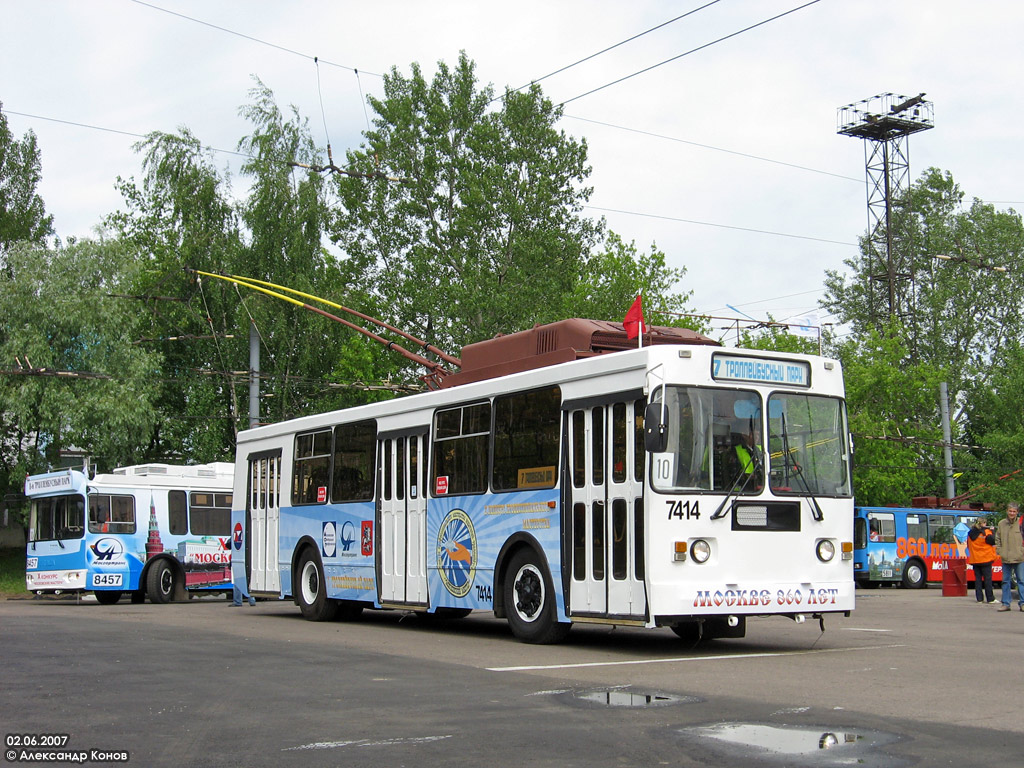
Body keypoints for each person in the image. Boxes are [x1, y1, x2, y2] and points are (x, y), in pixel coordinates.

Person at [995, 501, 1024, 612]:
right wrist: (999, 550)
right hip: (1005, 557)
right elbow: (997, 538)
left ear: (1017, 512)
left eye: (1014, 511)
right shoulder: (1001, 523)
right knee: (1005, 581)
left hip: (1020, 557)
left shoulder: (1021, 523)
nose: (1012, 513)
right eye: (1010, 511)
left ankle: (1023, 604)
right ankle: (1006, 604)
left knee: (1021, 581)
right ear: (1007, 511)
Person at [966, 516, 997, 604]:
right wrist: (992, 531)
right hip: (986, 559)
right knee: (987, 580)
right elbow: (993, 540)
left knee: (978, 580)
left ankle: (979, 599)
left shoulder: (970, 533)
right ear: (983, 523)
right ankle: (990, 598)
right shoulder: (986, 532)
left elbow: (968, 545)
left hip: (975, 560)